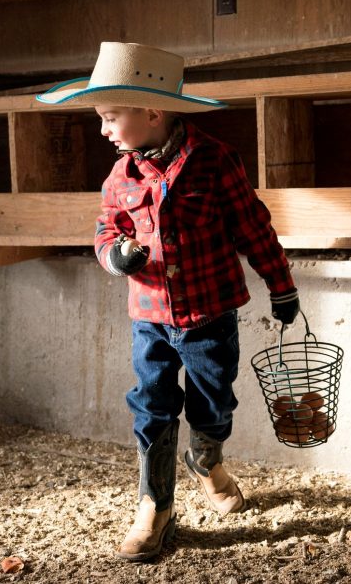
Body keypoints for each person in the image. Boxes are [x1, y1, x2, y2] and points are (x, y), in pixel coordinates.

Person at [37, 42, 299, 561]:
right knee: (152, 405)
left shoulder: (216, 162)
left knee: (214, 401)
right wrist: (117, 257)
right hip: (151, 318)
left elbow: (253, 227)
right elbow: (104, 231)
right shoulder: (120, 177)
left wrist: (281, 284)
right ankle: (154, 506)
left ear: (152, 112)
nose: (104, 130)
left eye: (111, 117)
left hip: (210, 313)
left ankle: (206, 458)